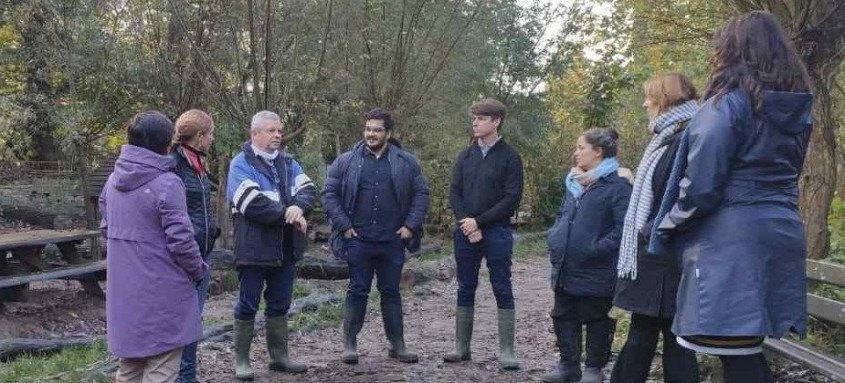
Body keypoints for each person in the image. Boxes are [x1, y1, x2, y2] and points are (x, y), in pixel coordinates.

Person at [650, 11, 812, 383]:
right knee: (744, 352)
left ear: (732, 50)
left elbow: (702, 185)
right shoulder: (798, 109)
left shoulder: (727, 105)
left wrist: (668, 223)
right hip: (781, 229)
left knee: (736, 355)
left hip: (732, 238)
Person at [100, 111, 208, 383]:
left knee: (130, 369)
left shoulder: (113, 181)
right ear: (166, 144)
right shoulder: (167, 183)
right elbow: (183, 241)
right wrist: (198, 271)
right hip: (163, 292)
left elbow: (105, 226)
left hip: (125, 292)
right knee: (162, 367)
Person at [610, 74, 700, 383]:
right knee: (653, 336)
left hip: (667, 255)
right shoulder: (669, 135)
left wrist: (653, 229)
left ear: (665, 100)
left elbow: (687, 196)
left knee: (664, 340)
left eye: (650, 97)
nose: (645, 103)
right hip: (658, 253)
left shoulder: (684, 136)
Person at [322, 107, 430, 364]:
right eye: (368, 129)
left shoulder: (406, 162)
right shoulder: (346, 161)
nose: (371, 134)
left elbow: (421, 194)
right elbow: (329, 194)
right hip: (357, 240)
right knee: (357, 289)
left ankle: (397, 345)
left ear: (388, 133)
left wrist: (410, 227)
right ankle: (349, 345)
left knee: (390, 291)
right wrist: (343, 225)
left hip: (393, 240)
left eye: (377, 130)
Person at [226, 110, 317, 380]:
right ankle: (241, 360)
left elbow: (309, 189)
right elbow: (250, 202)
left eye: (279, 130)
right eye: (271, 130)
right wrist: (288, 214)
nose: (278, 135)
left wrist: (299, 207)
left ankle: (279, 357)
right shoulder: (240, 164)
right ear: (255, 134)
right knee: (248, 304)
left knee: (280, 303)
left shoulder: (289, 163)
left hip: (285, 249)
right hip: (253, 249)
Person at [542, 128, 631, 383]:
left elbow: (624, 228)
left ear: (598, 151)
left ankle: (594, 368)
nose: (576, 153)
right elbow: (563, 215)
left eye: (581, 147)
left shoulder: (617, 185)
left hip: (598, 268)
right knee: (563, 314)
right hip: (566, 265)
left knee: (596, 317)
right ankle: (568, 365)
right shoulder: (573, 183)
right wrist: (555, 238)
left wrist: (596, 248)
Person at [445, 98, 523, 371]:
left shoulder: (510, 157)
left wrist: (479, 222)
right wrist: (467, 223)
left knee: (502, 286)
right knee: (465, 287)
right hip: (465, 232)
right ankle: (462, 348)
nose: (475, 122)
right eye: (474, 117)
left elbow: (512, 198)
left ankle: (507, 351)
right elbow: (454, 192)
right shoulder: (465, 155)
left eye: (481, 117)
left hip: (497, 232)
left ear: (496, 121)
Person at [171, 109, 220, 383]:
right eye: (210, 133)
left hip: (203, 254)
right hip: (183, 258)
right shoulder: (173, 164)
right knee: (183, 322)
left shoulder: (198, 164)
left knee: (193, 321)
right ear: (199, 136)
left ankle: (188, 375)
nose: (212, 139)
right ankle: (183, 377)